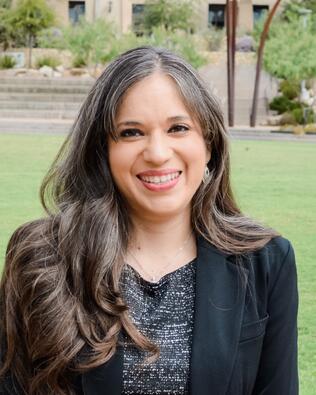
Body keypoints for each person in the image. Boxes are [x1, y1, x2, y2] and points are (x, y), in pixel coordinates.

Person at [0, 46, 298, 395]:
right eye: (131, 132)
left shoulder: (266, 262)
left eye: (178, 128)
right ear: (102, 151)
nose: (157, 153)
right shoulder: (42, 257)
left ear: (209, 144)